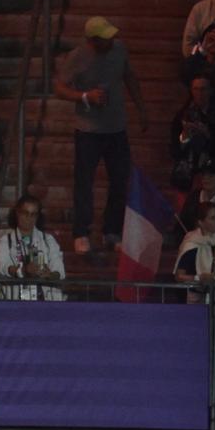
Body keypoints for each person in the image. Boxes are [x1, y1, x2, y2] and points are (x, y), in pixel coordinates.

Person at [54, 16, 148, 256]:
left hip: (116, 128)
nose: (111, 41)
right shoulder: (77, 57)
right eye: (105, 38)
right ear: (92, 40)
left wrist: (141, 108)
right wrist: (85, 96)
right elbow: (60, 87)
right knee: (84, 182)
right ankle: (81, 232)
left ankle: (112, 231)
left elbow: (129, 76)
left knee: (119, 179)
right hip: (88, 130)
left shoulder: (119, 50)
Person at [0, 195, 65, 301]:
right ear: (17, 213)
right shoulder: (6, 241)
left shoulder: (48, 240)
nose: (29, 218)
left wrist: (49, 275)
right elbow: (0, 265)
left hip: (45, 300)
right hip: (15, 302)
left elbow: (59, 271)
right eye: (25, 213)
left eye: (33, 214)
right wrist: (22, 271)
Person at [174, 202, 215, 304]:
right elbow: (179, 276)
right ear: (201, 222)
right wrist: (199, 278)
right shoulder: (191, 244)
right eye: (212, 218)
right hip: (195, 300)